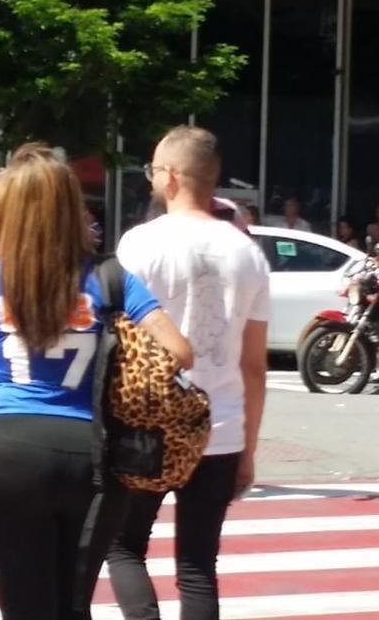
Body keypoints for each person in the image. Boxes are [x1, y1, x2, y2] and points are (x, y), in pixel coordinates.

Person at [0, 143, 193, 620]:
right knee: (72, 605)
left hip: (10, 451)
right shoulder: (109, 278)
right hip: (91, 457)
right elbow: (179, 351)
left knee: (23, 605)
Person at [108, 126, 270, 620]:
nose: (152, 178)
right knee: (198, 566)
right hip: (220, 428)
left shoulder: (139, 244)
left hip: (148, 423)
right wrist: (248, 448)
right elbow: (254, 364)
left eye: (154, 170)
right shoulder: (248, 253)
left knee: (124, 546)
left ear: (172, 177)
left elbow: (117, 341)